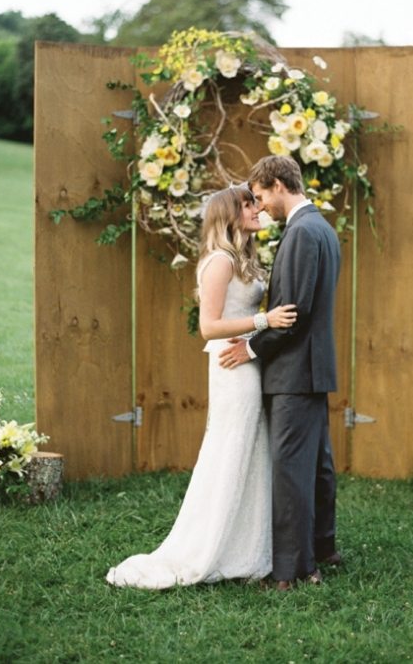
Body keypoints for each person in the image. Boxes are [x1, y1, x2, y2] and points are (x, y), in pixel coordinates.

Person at [106, 184, 297, 589]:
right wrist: (264, 320)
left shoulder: (243, 258)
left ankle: (246, 547)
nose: (257, 208)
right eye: (248, 204)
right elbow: (208, 326)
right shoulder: (219, 261)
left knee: (250, 450)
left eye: (256, 201)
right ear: (229, 214)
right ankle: (211, 546)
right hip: (232, 367)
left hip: (247, 359)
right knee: (231, 448)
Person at [219, 155, 341, 590]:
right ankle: (323, 548)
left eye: (261, 195)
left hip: (294, 372)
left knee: (291, 471)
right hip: (312, 368)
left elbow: (292, 314)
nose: (261, 205)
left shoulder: (302, 232)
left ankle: (291, 571)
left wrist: (250, 347)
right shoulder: (321, 228)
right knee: (317, 466)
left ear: (278, 184)